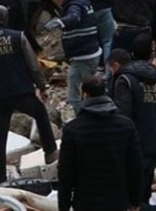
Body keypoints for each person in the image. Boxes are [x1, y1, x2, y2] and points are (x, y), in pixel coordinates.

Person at [0, 5, 57, 183]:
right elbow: (33, 65)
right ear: (6, 19)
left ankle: (0, 179)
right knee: (40, 113)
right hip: (21, 92)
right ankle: (50, 151)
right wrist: (42, 86)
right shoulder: (19, 37)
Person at [58, 76, 143, 211]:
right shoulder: (126, 125)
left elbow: (65, 172)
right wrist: (136, 200)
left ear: (84, 95)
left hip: (85, 200)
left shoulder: (73, 129)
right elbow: (135, 166)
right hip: (117, 199)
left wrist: (63, 205)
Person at [107, 38, 156, 204]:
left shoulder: (125, 81)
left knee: (129, 194)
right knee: (143, 192)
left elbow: (123, 115)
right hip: (155, 145)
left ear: (115, 66)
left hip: (134, 145)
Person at [44, 0, 101, 112]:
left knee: (74, 90)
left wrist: (59, 22)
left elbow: (74, 18)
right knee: (92, 85)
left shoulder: (73, 6)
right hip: (92, 50)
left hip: (83, 55)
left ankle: (79, 114)